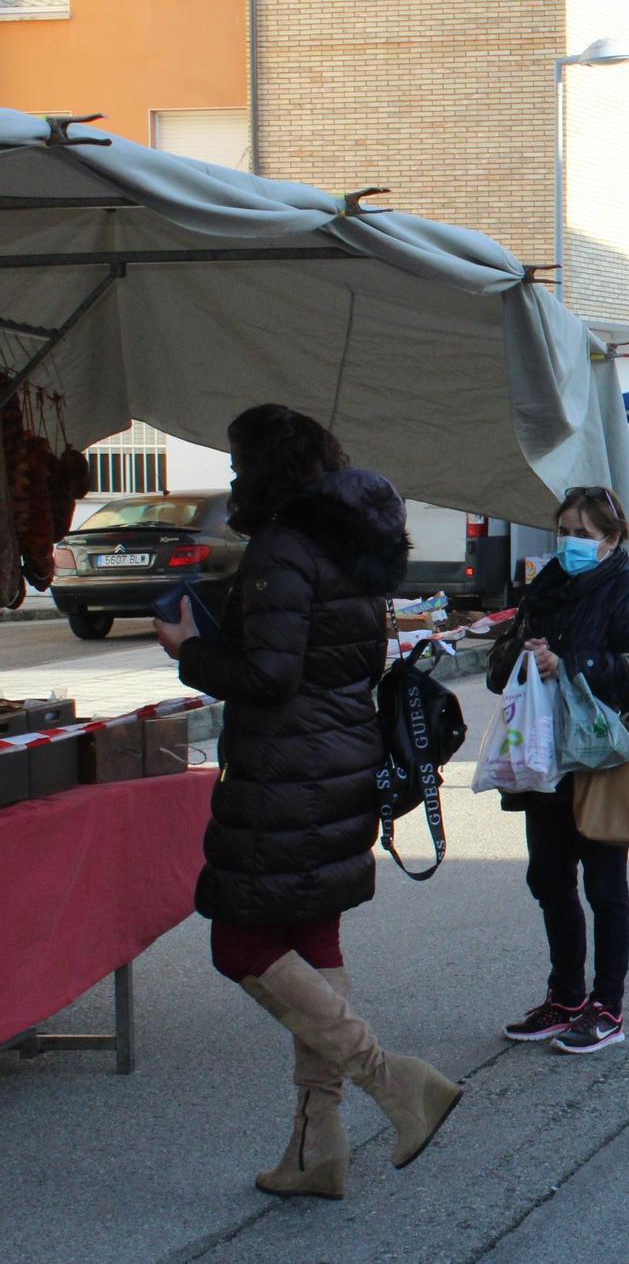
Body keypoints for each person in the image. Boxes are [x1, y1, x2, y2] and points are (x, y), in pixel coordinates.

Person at [156, 404, 459, 1201]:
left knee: (241, 943)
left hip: (285, 772)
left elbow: (269, 675)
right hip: (339, 763)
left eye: (236, 461)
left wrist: (190, 650)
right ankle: (314, 1150)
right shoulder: (352, 544)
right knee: (310, 936)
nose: (229, 476)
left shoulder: (283, 546)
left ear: (265, 467)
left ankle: (394, 1082)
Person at [489, 485, 629, 1056]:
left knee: (604, 885)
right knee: (548, 878)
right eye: (563, 531)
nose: (569, 543)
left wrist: (568, 663)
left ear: (612, 539)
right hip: (545, 755)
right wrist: (520, 654)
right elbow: (498, 672)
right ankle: (564, 996)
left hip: (602, 757)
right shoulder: (546, 588)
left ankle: (606, 1008)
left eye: (582, 535)